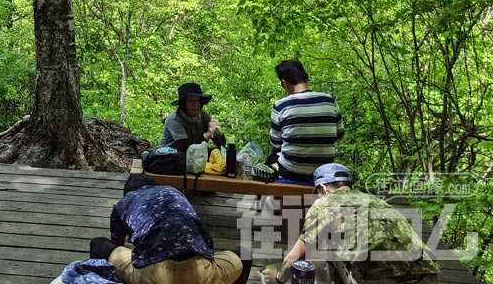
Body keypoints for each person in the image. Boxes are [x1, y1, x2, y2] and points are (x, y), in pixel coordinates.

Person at [262, 163, 440, 284]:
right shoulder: (374, 200)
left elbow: (293, 257)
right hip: (427, 272)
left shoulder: (323, 203)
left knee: (318, 247)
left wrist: (278, 278)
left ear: (323, 188)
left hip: (378, 277)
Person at [89, 174, 251, 284]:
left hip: (154, 276)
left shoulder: (124, 203)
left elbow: (117, 243)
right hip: (201, 273)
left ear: (127, 193)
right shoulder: (174, 192)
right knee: (244, 255)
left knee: (98, 245)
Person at [268, 59, 344, 184]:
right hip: (324, 170)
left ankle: (272, 198)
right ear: (306, 77)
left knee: (271, 158)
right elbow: (339, 135)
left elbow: (276, 143)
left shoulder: (281, 105)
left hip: (292, 171)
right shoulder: (329, 100)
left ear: (284, 83)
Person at [159, 82, 226, 151]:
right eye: (190, 100)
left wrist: (218, 134)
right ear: (184, 103)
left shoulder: (203, 115)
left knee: (219, 152)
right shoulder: (174, 119)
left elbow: (221, 144)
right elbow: (185, 147)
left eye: (197, 100)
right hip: (170, 156)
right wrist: (207, 135)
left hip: (193, 154)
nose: (195, 104)